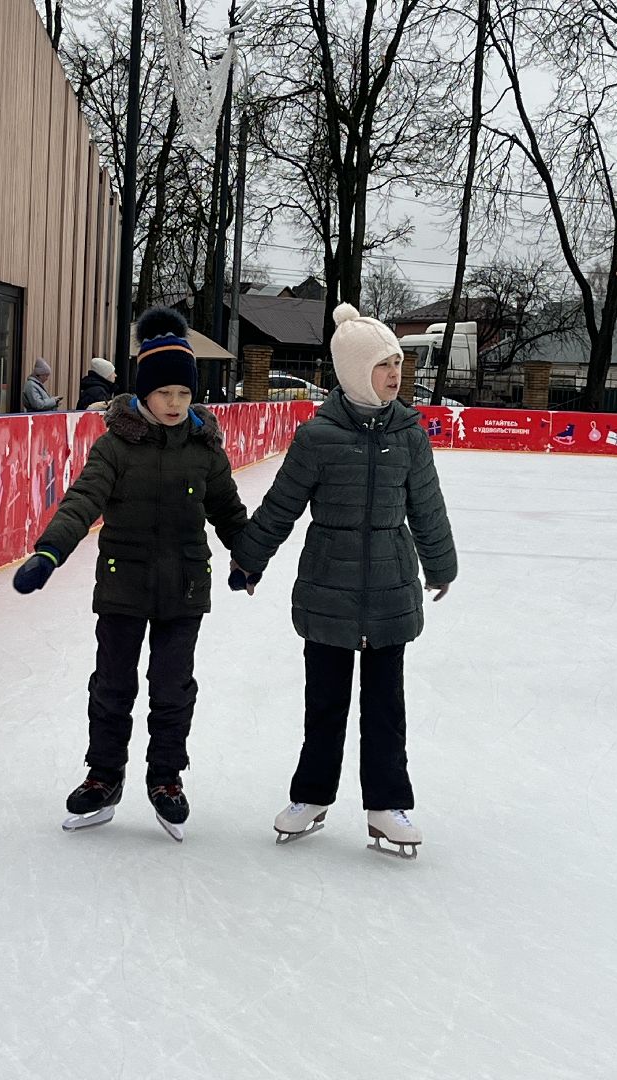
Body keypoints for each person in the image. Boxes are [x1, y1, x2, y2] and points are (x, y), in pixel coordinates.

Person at [230, 303, 457, 858]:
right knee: (324, 705)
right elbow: (281, 506)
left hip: (389, 591)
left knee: (386, 708)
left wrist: (441, 564)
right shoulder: (318, 437)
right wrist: (249, 561)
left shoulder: (409, 435)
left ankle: (387, 804)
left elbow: (427, 507)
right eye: (384, 365)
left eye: (398, 364)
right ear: (356, 371)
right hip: (328, 590)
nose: (395, 374)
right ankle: (311, 796)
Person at [12, 307, 248, 838]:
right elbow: (82, 500)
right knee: (112, 686)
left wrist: (246, 557)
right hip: (123, 585)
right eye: (164, 393)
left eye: (184, 394)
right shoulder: (116, 445)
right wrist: (50, 552)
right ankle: (103, 777)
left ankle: (166, 778)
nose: (174, 403)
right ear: (143, 392)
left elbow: (229, 511)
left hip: (184, 587)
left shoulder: (204, 450)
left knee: (172, 687)